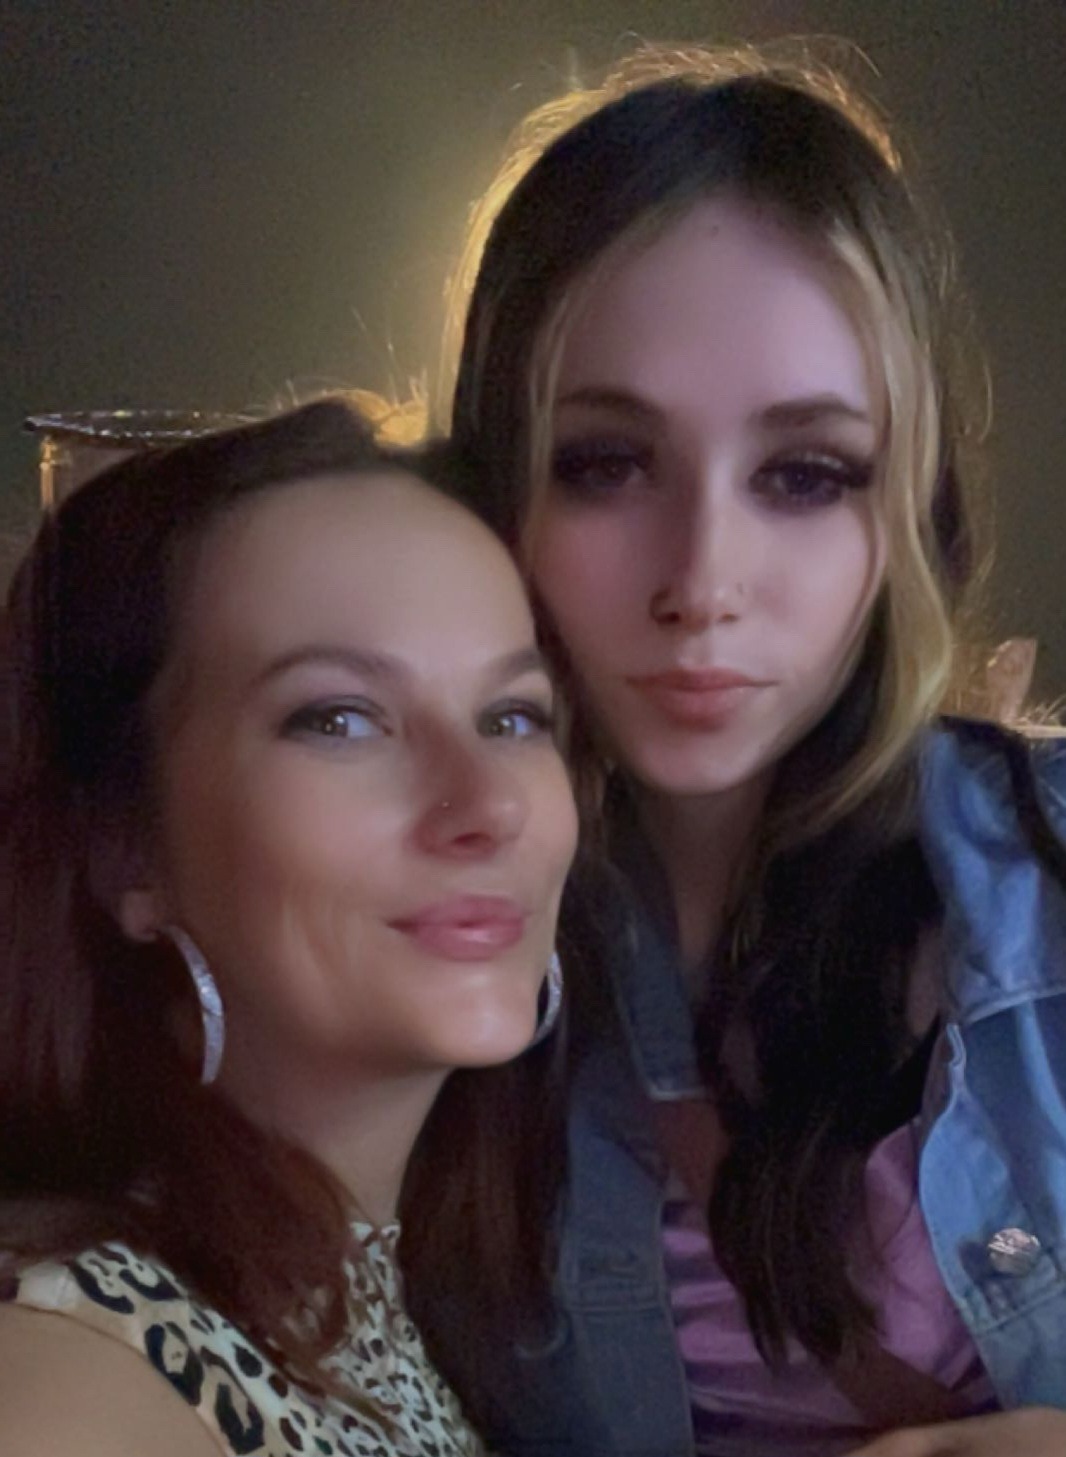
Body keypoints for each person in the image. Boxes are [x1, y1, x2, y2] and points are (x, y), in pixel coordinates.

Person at [411, 42, 1066, 1457]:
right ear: (497, 487)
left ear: (907, 511)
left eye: (802, 473)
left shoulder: (1044, 884)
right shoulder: (410, 909)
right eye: (604, 462)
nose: (701, 579)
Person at [0, 400, 579, 1456]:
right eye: (339, 717)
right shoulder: (76, 1379)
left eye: (512, 716)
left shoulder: (401, 1282)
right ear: (127, 847)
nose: (487, 802)